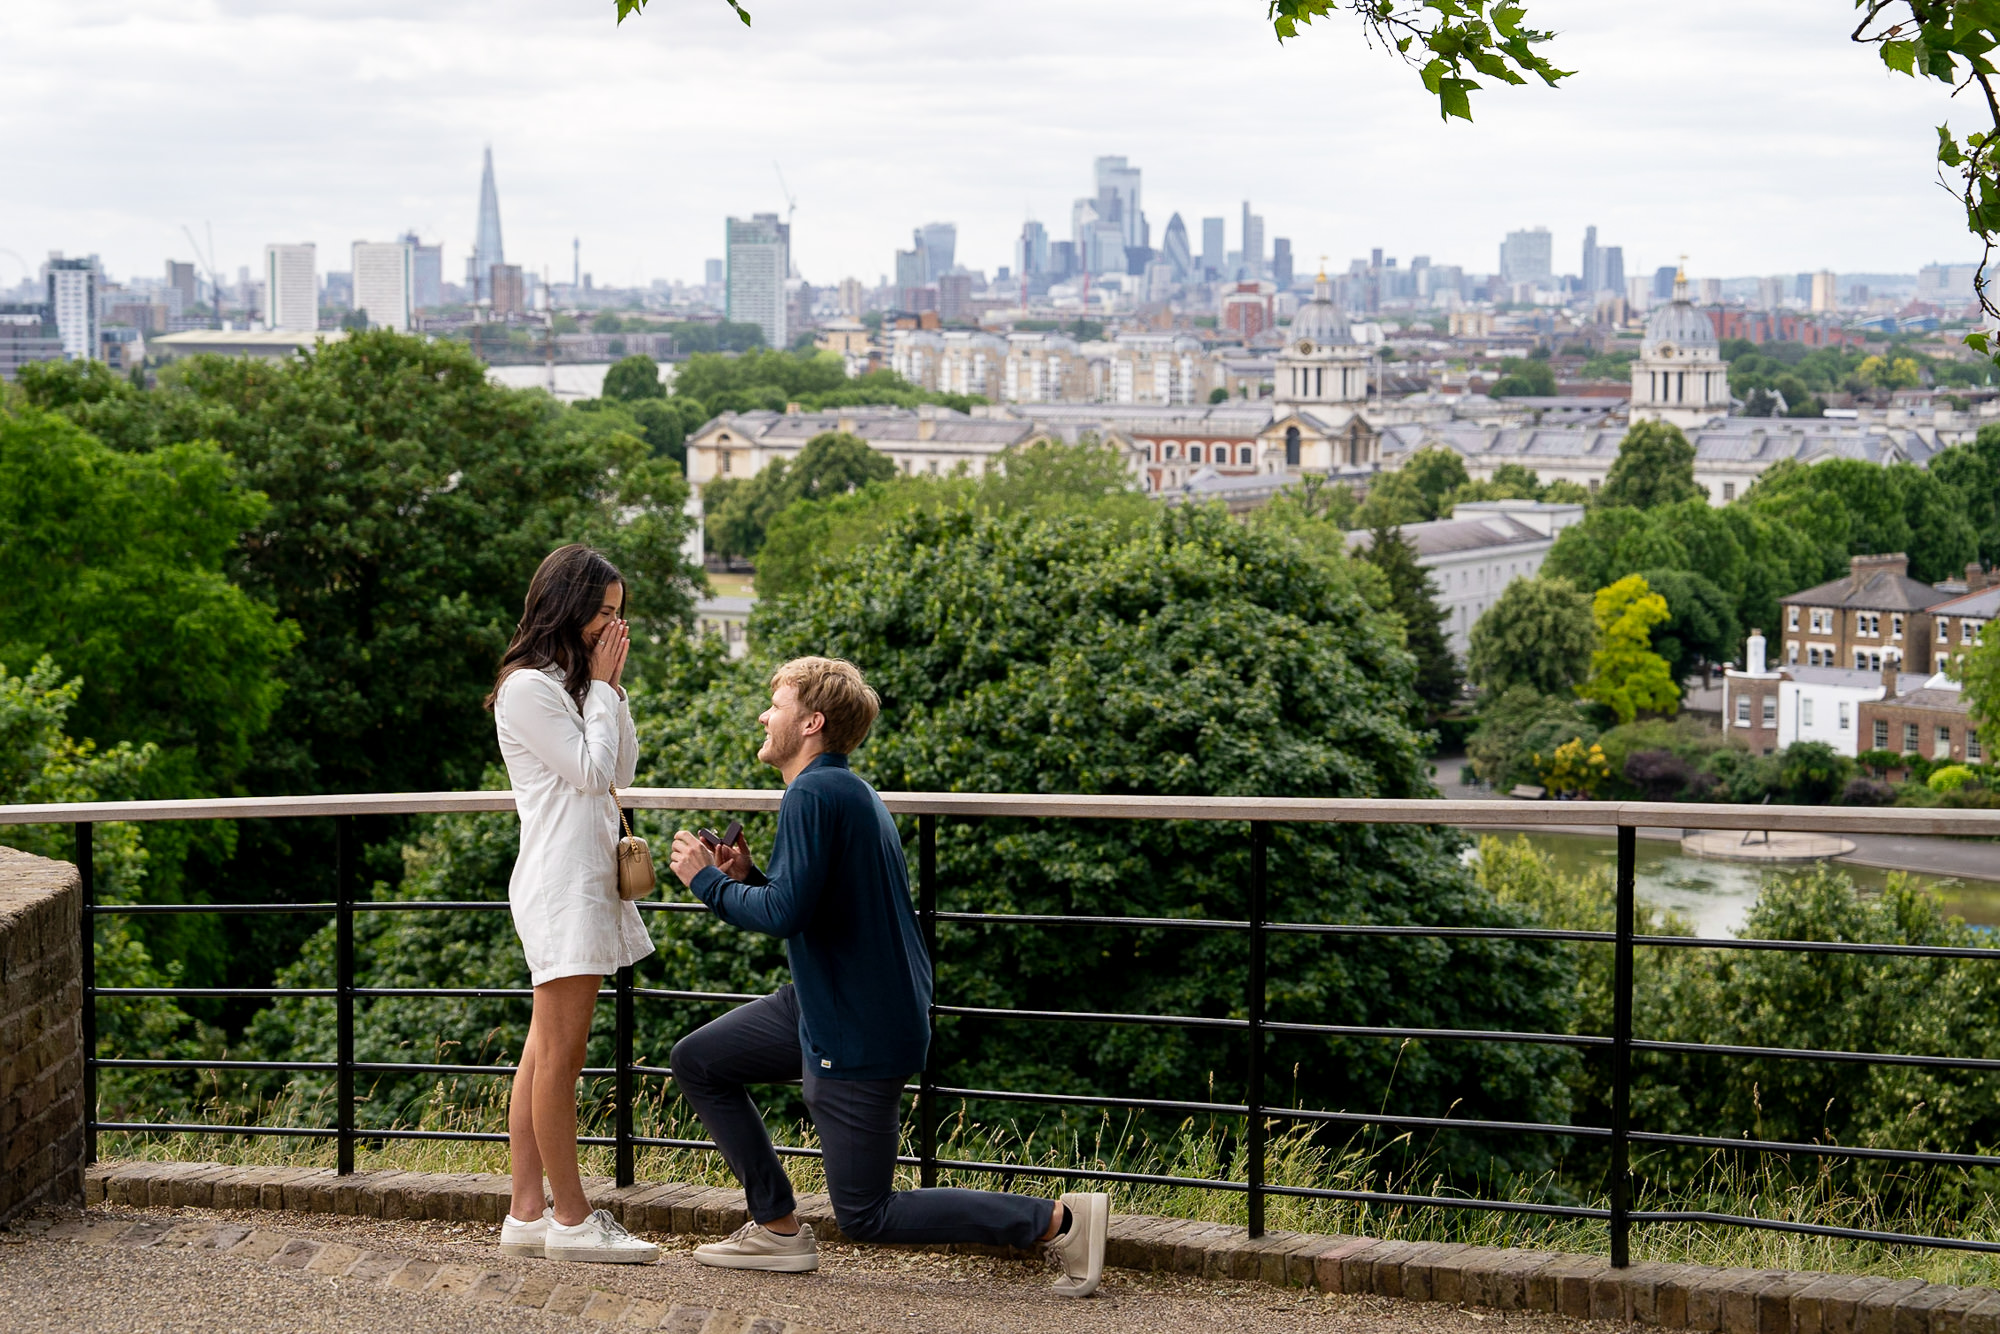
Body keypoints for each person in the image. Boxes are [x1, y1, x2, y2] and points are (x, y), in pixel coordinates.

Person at [666, 656, 1109, 1297]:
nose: (765, 716)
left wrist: (704, 881)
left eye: (778, 705)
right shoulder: (842, 790)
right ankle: (777, 1227)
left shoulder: (815, 793)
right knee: (700, 1061)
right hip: (829, 1003)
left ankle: (1056, 1222)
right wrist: (748, 881)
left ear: (812, 722)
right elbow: (807, 903)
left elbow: (787, 916)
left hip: (856, 1027)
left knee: (867, 1215)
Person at [487, 543, 659, 1265]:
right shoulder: (530, 688)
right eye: (604, 613)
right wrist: (600, 687)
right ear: (569, 607)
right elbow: (590, 772)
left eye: (619, 615)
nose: (613, 628)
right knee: (562, 1057)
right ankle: (572, 1218)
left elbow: (620, 767)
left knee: (542, 1051)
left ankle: (528, 1213)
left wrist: (608, 692)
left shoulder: (574, 685)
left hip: (580, 879)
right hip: (562, 884)